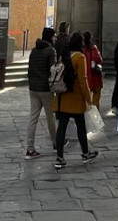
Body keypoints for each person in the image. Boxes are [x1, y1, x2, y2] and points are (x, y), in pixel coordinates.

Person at [52, 32, 98, 170]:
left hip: (62, 97)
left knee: (61, 129)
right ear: (81, 43)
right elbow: (83, 80)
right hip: (76, 98)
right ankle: (85, 153)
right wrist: (88, 98)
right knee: (81, 127)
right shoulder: (80, 57)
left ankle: (60, 158)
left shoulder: (64, 55)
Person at [24, 27, 57, 159]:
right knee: (50, 117)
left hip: (33, 88)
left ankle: (30, 148)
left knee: (33, 118)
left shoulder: (33, 50)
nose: (55, 38)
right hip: (45, 89)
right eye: (54, 36)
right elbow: (53, 70)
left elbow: (29, 69)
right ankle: (56, 143)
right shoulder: (51, 51)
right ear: (50, 37)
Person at [83, 31, 104, 110]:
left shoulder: (81, 50)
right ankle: (95, 112)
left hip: (85, 77)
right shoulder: (94, 48)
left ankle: (87, 111)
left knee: (85, 97)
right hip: (95, 76)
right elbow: (100, 60)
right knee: (96, 96)